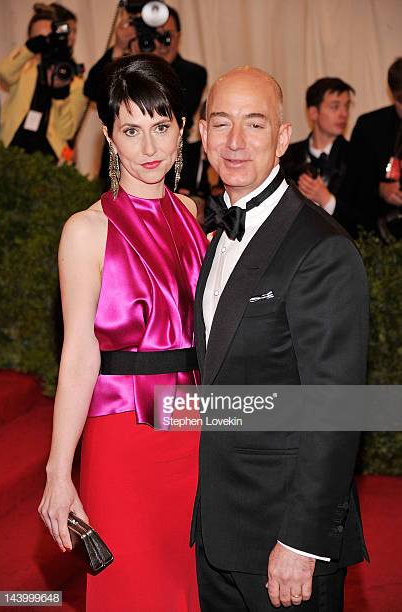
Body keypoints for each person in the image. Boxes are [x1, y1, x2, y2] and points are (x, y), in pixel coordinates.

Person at [191, 67, 369, 611]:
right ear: (203, 133)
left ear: (283, 136)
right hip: (218, 530)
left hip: (285, 544)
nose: (235, 142)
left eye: (254, 124)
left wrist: (300, 542)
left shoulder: (321, 248)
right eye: (221, 123)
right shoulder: (214, 233)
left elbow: (336, 407)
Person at [38, 54, 208, 611]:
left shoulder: (191, 214)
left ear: (181, 129)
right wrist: (59, 470)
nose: (149, 147)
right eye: (132, 130)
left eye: (161, 126)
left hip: (196, 429)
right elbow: (78, 354)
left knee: (190, 589)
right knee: (132, 590)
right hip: (122, 436)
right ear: (110, 136)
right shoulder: (86, 231)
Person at [84, 4, 207, 192]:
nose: (157, 44)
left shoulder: (192, 73)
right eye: (131, 131)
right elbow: (92, 90)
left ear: (178, 36)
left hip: (170, 177)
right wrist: (120, 49)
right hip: (119, 176)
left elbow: (183, 107)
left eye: (165, 37)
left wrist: (145, 65)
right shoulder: (124, 72)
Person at [0, 3, 86, 162]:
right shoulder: (23, 69)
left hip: (49, 158)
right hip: (11, 148)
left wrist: (60, 95)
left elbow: (66, 132)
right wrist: (28, 50)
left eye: (48, 37)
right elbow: (4, 74)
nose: (45, 43)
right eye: (39, 39)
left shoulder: (74, 82)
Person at [281, 77, 356, 235]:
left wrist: (327, 200)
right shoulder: (287, 155)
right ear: (314, 112)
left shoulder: (357, 155)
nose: (344, 114)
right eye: (335, 106)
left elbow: (364, 217)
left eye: (347, 106)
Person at [346, 57, 402, 235]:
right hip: (379, 234)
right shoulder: (370, 127)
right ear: (393, 95)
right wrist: (379, 188)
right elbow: (352, 183)